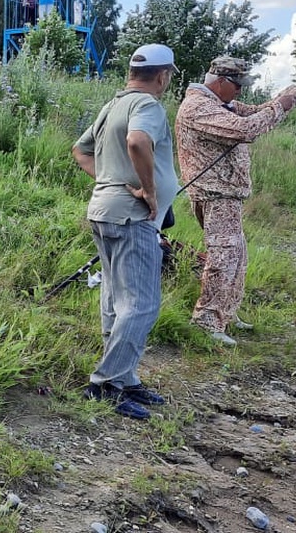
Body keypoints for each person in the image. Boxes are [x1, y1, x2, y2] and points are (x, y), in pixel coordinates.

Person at [176, 57, 296, 345]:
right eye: (237, 85)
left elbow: (257, 112)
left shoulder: (221, 104)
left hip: (227, 195)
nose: (241, 92)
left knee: (236, 257)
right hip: (214, 194)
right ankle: (206, 321)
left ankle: (225, 313)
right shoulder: (198, 107)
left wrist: (294, 92)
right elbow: (246, 129)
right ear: (220, 81)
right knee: (223, 258)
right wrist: (282, 106)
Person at [71, 44, 181, 421]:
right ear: (163, 75)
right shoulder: (147, 106)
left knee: (116, 298)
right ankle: (106, 384)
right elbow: (137, 141)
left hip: (104, 210)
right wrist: (147, 190)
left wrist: (110, 182)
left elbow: (80, 151)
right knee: (142, 303)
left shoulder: (112, 105)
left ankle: (125, 376)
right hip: (132, 216)